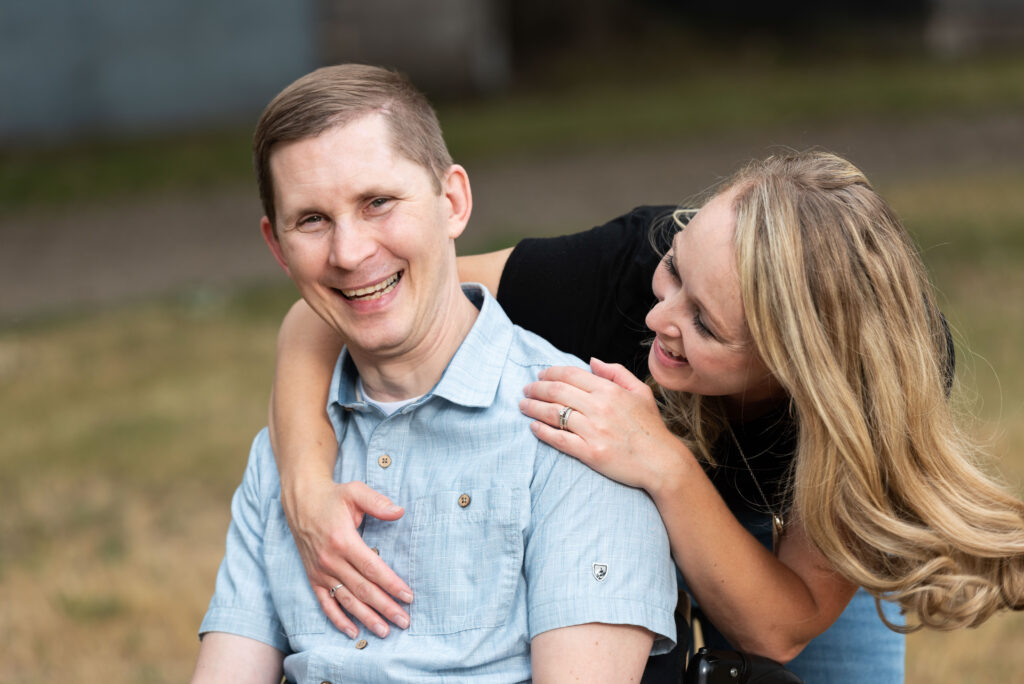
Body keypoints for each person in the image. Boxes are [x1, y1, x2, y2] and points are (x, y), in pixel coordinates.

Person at [269, 150, 1024, 682]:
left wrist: (663, 463)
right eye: (677, 271)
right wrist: (305, 482)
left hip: (797, 524)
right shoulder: (627, 269)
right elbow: (335, 314)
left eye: (706, 324)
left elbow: (781, 627)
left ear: (797, 367)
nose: (660, 314)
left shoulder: (872, 387)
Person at [192, 64, 679, 684]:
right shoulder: (288, 455)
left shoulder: (578, 430)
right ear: (276, 246)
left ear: (452, 202)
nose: (348, 253)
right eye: (312, 219)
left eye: (378, 203)